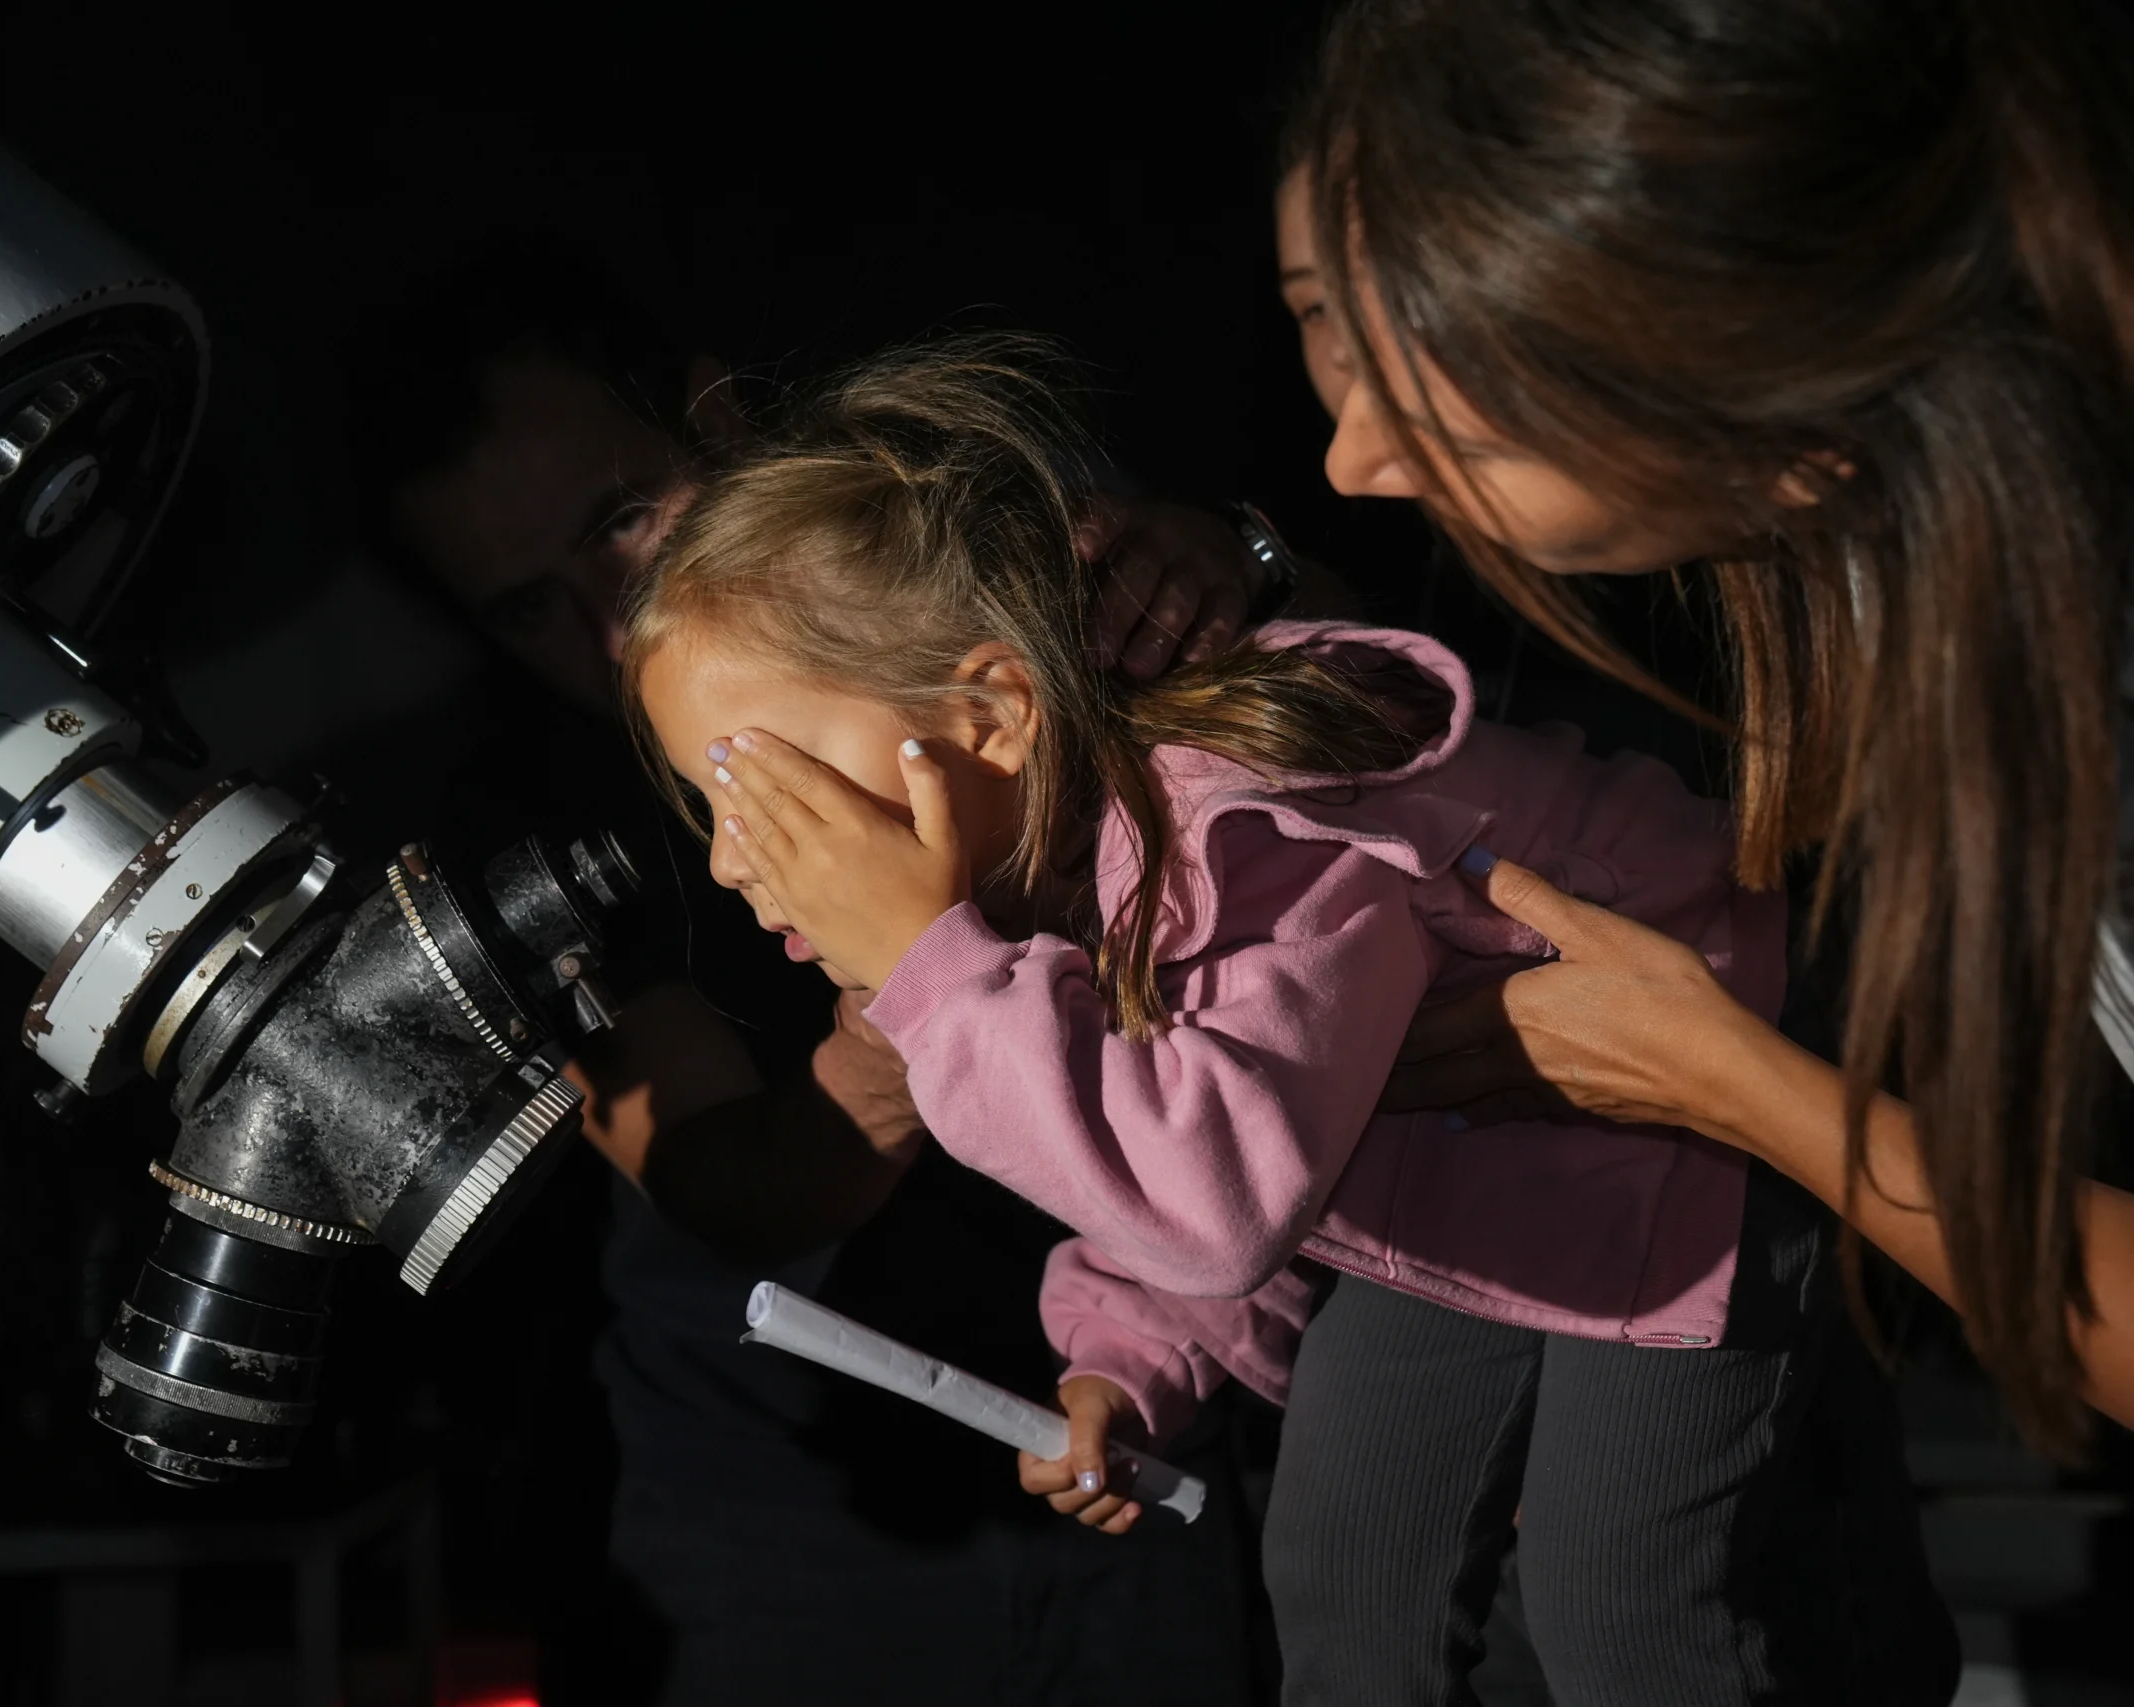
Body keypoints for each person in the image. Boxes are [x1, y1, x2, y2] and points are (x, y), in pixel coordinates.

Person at [625, 332, 1947, 1704]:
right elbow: (1202, 1102)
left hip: (1692, 1113)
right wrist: (1133, 1356)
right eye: (709, 807)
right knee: (1346, 1575)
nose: (733, 859)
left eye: (765, 786)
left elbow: (1216, 1191)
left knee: (1622, 1603)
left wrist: (930, 968)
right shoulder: (1060, 858)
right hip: (1472, 1167)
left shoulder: (1249, 827)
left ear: (994, 715)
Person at [336, 244, 1287, 1704]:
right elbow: (722, 1184)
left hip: (1162, 1409)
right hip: (803, 1506)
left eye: (624, 524)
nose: (611, 630)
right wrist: (911, 991)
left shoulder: (961, 556)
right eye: (526, 608)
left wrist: (1231, 569)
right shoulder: (538, 827)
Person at [1279, 0, 2134, 1452]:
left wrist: (1721, 1078)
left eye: (1471, 434)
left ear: (1793, 436)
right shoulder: (1898, 541)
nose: (1352, 460)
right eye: (1323, 319)